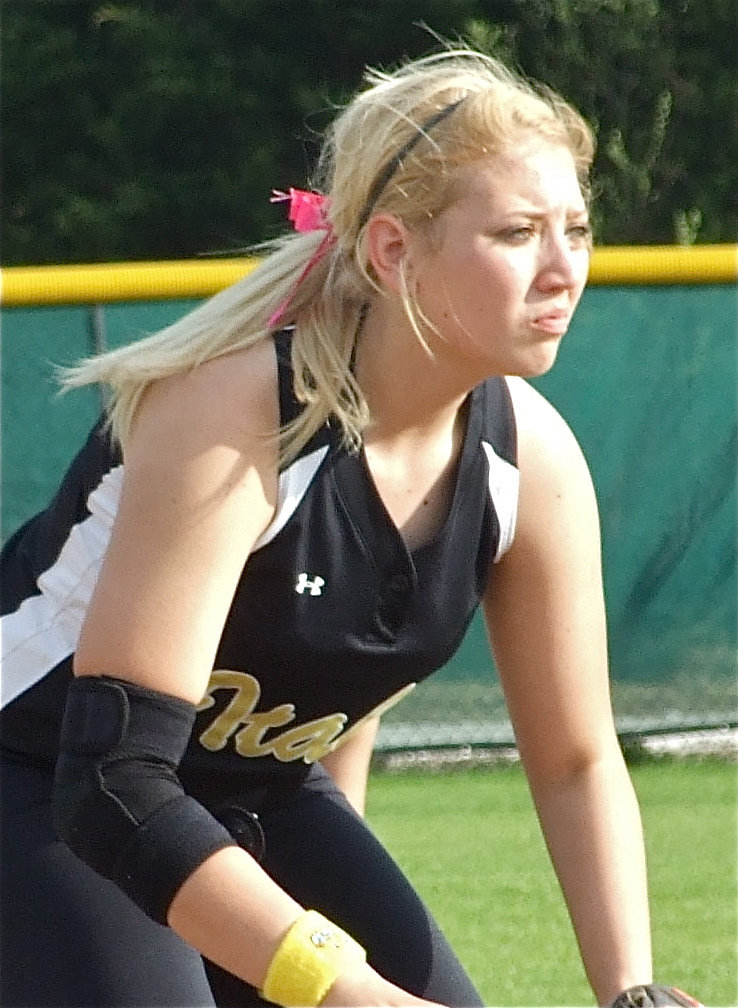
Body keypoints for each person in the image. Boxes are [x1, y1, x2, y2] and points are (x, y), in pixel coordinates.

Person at [0, 46, 696, 1008]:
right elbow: (113, 781)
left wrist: (634, 990)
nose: (561, 268)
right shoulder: (240, 415)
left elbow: (575, 762)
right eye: (517, 232)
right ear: (392, 251)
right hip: (43, 782)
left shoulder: (529, 463)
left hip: (245, 795)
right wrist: (340, 986)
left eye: (575, 229)